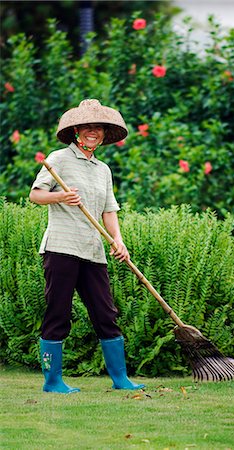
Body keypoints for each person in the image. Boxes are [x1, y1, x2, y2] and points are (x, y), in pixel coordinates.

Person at [30, 99, 145, 394]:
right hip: (62, 248)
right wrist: (61, 197)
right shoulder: (58, 159)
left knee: (106, 314)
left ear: (104, 134)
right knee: (58, 314)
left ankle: (121, 379)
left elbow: (109, 210)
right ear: (76, 130)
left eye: (98, 127)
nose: (93, 131)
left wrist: (118, 241)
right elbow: (36, 195)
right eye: (87, 127)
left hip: (94, 251)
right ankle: (52, 381)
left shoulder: (103, 169)